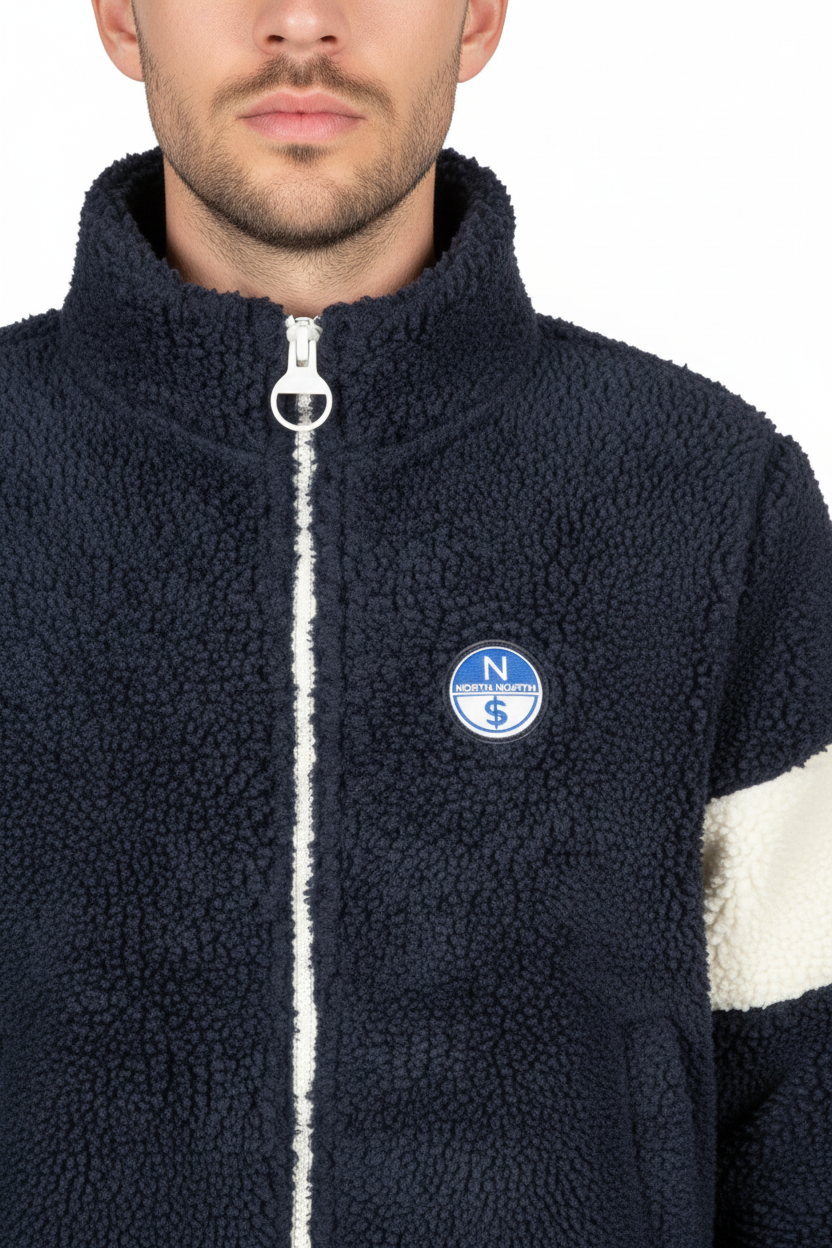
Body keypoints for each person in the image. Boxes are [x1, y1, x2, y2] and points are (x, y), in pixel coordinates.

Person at [1, 1, 830, 1244]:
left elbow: (808, 1094)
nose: (301, 22)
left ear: (476, 17)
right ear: (122, 18)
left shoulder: (704, 497)